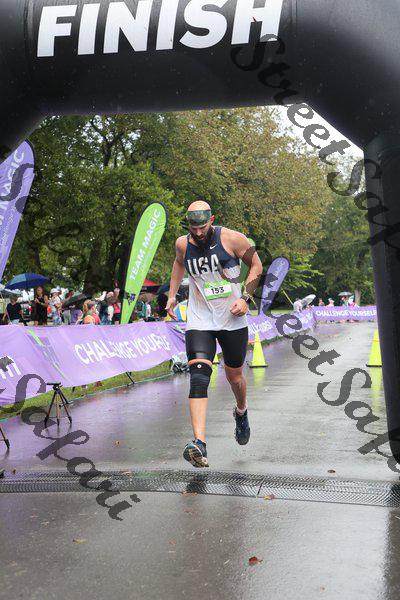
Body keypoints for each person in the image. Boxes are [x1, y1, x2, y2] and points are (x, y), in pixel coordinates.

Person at [166, 201, 263, 468]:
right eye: (193, 228)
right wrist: (172, 295)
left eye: (202, 227)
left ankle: (241, 411)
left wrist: (245, 298)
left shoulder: (233, 239)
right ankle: (199, 443)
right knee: (198, 375)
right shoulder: (182, 244)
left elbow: (256, 266)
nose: (198, 233)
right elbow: (178, 264)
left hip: (233, 318)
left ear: (212, 220)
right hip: (200, 318)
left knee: (235, 377)